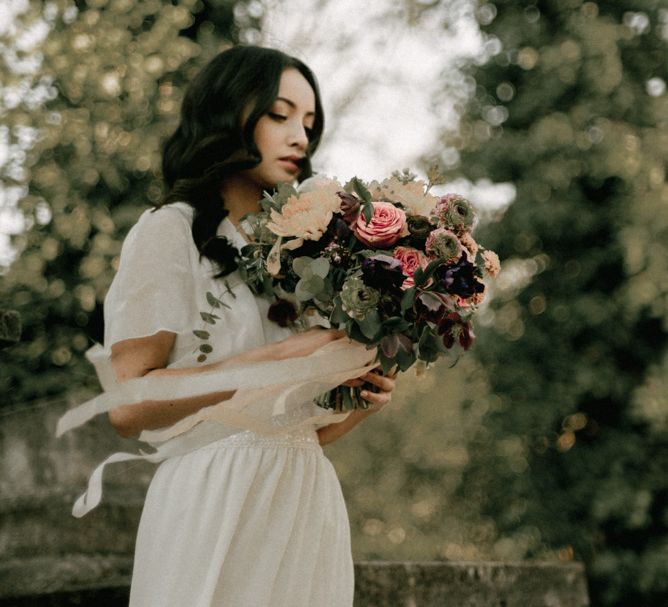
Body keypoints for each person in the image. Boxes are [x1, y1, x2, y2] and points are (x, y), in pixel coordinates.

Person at [102, 46, 396, 606]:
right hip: (212, 496)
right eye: (279, 115)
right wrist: (281, 359)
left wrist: (360, 399)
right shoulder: (170, 231)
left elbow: (301, 427)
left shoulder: (309, 256)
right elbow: (128, 403)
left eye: (308, 123)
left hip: (305, 499)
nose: (300, 138)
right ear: (229, 114)